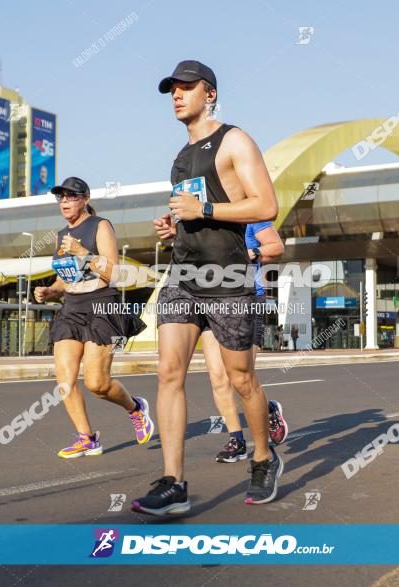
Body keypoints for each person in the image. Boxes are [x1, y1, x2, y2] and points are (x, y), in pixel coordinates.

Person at [132, 60, 281, 516]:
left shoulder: (235, 140)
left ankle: (262, 455)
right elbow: (189, 212)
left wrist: (206, 210)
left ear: (209, 94)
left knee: (240, 378)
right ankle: (174, 482)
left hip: (228, 277)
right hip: (183, 276)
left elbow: (266, 205)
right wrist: (173, 224)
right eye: (171, 90)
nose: (176, 95)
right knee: (169, 374)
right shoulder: (180, 156)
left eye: (185, 88)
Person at [33, 176, 152, 458]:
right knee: (64, 380)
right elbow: (66, 276)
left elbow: (112, 273)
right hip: (71, 308)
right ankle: (87, 438)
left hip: (101, 305)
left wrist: (84, 253)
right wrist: (51, 290)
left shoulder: (100, 226)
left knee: (97, 383)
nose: (64, 201)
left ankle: (135, 408)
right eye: (61, 197)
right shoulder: (62, 235)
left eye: (71, 196)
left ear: (85, 199)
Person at [201, 221, 289, 463]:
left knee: (241, 377)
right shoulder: (202, 216)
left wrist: (252, 252)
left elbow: (275, 245)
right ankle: (237, 440)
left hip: (246, 298)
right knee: (217, 377)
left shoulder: (250, 215)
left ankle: (268, 410)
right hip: (208, 300)